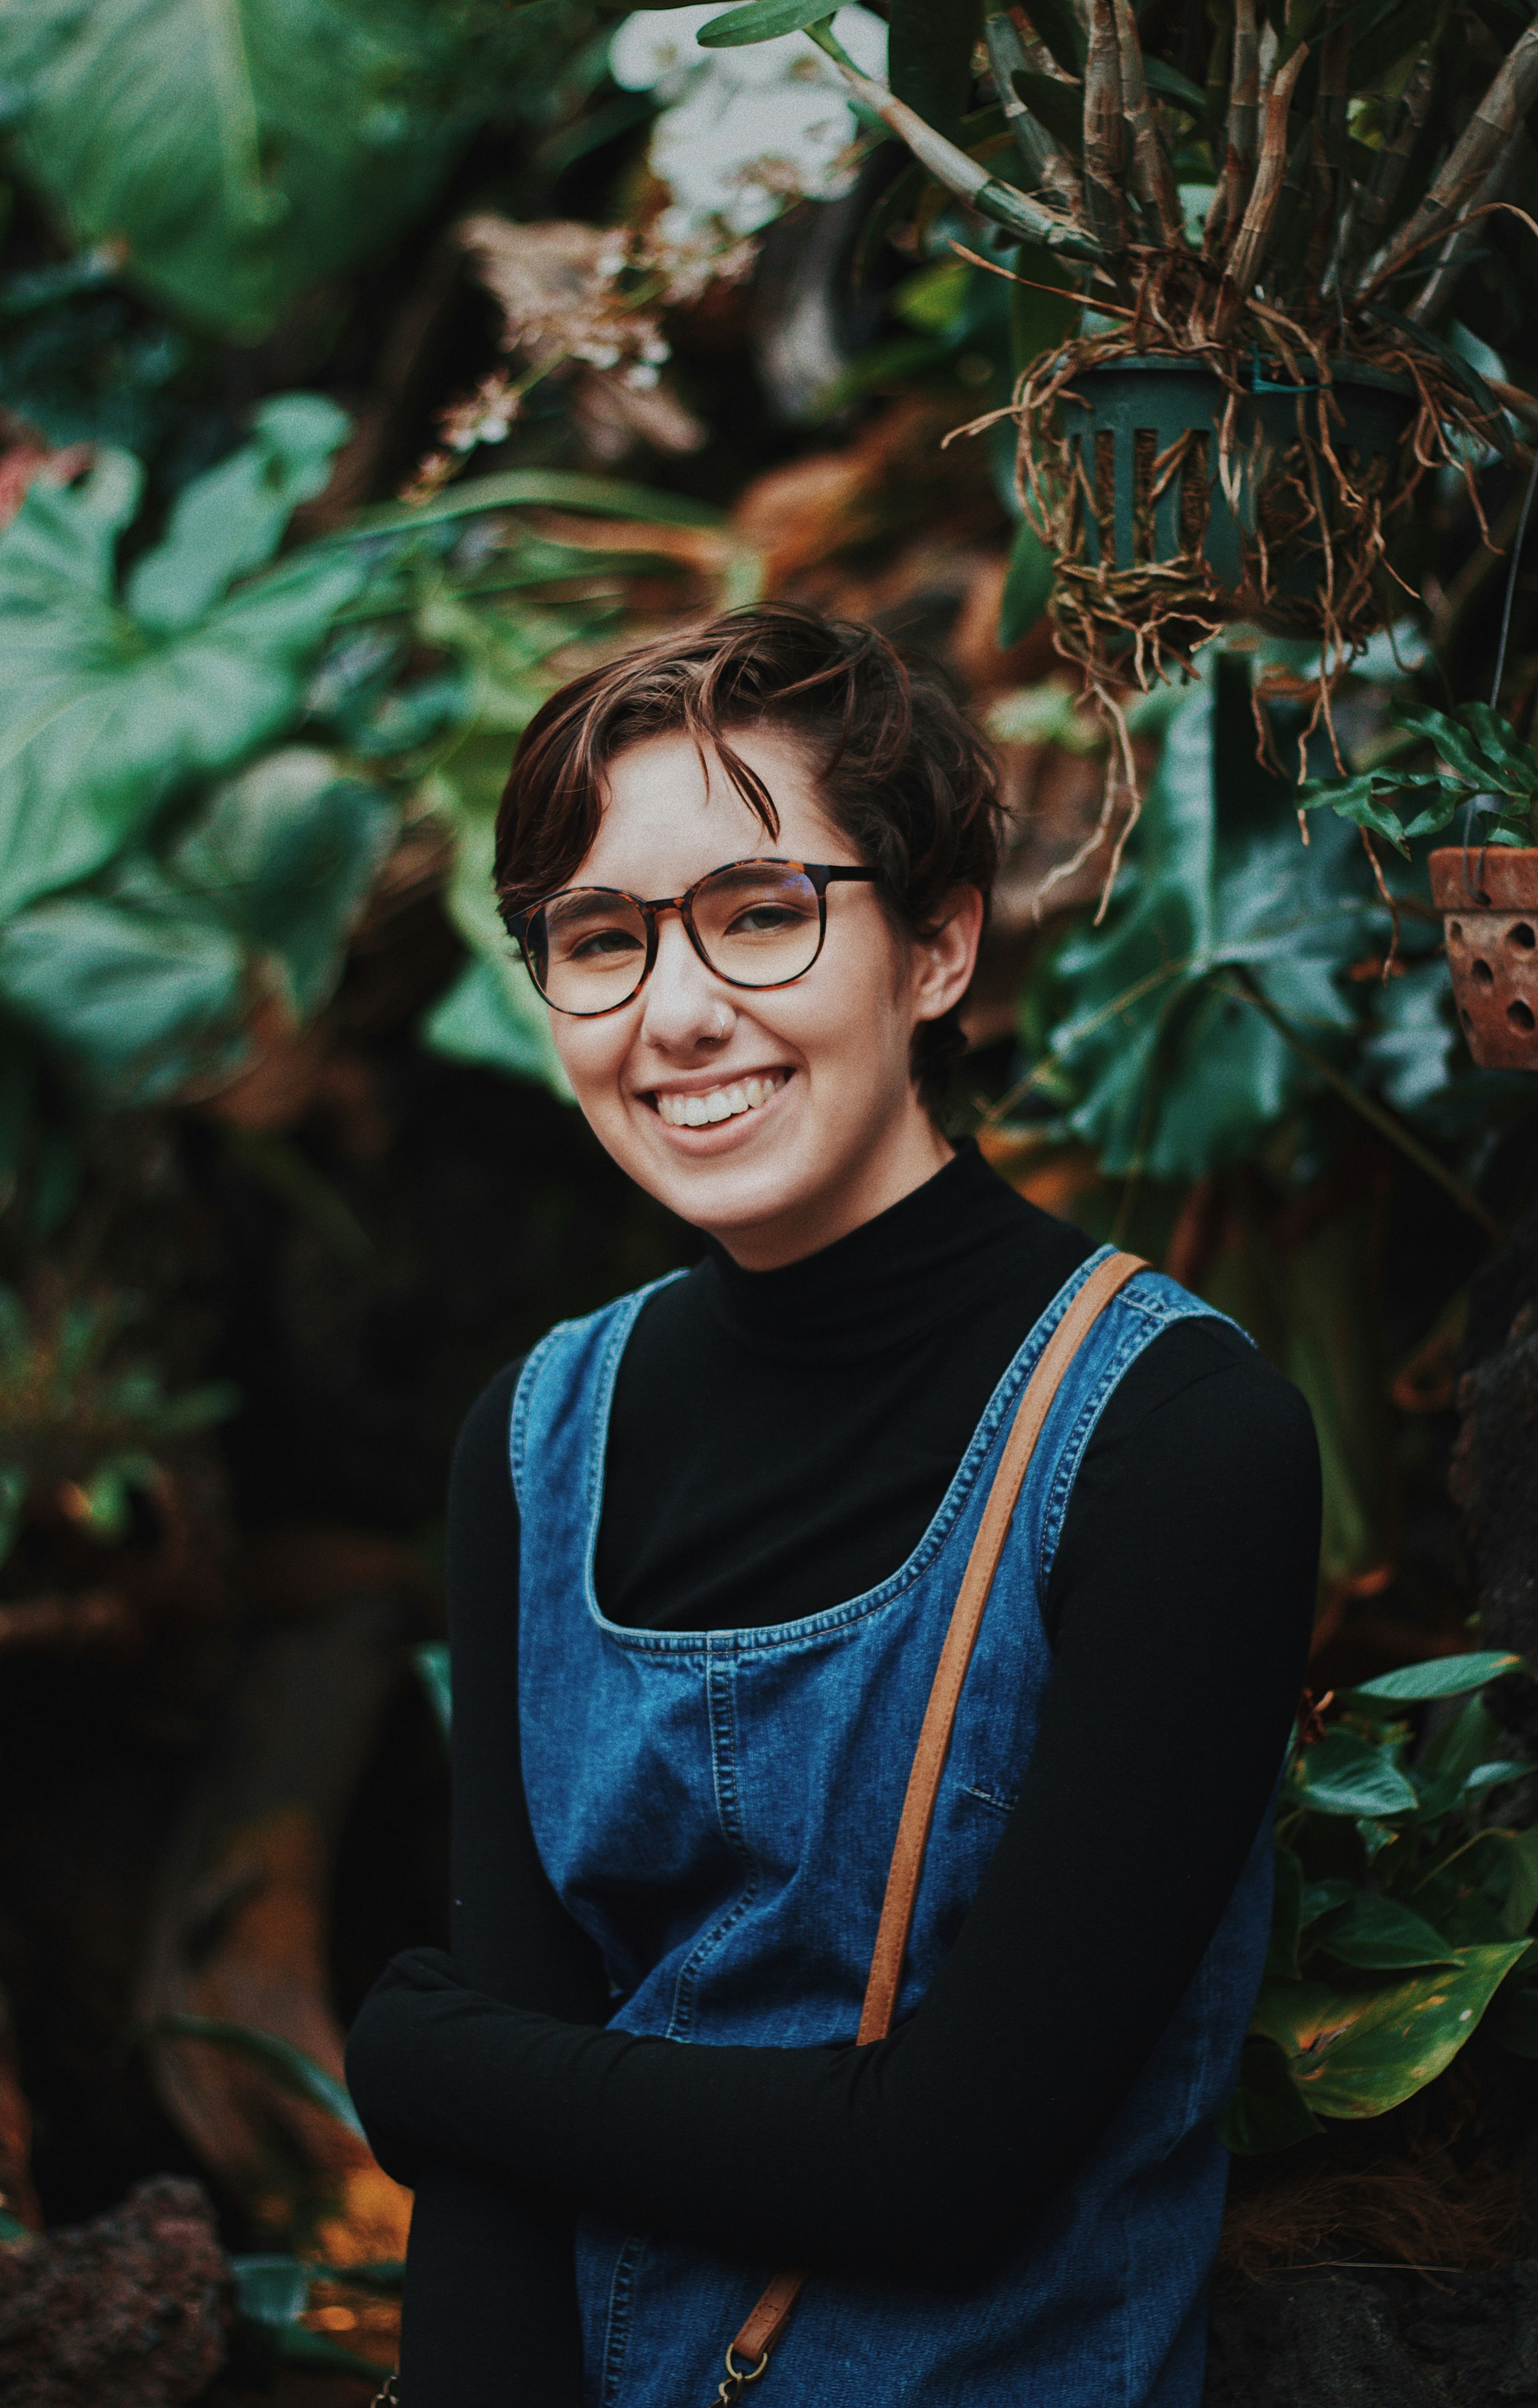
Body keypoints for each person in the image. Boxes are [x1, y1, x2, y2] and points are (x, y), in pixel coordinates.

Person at [346, 603, 1320, 2408]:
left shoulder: (1174, 1437)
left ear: (939, 946)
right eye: (600, 942)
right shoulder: (539, 1438)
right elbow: (491, 2194)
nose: (680, 1011)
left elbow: (944, 2166)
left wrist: (435, 2065)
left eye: (760, 913)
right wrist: (472, 2087)